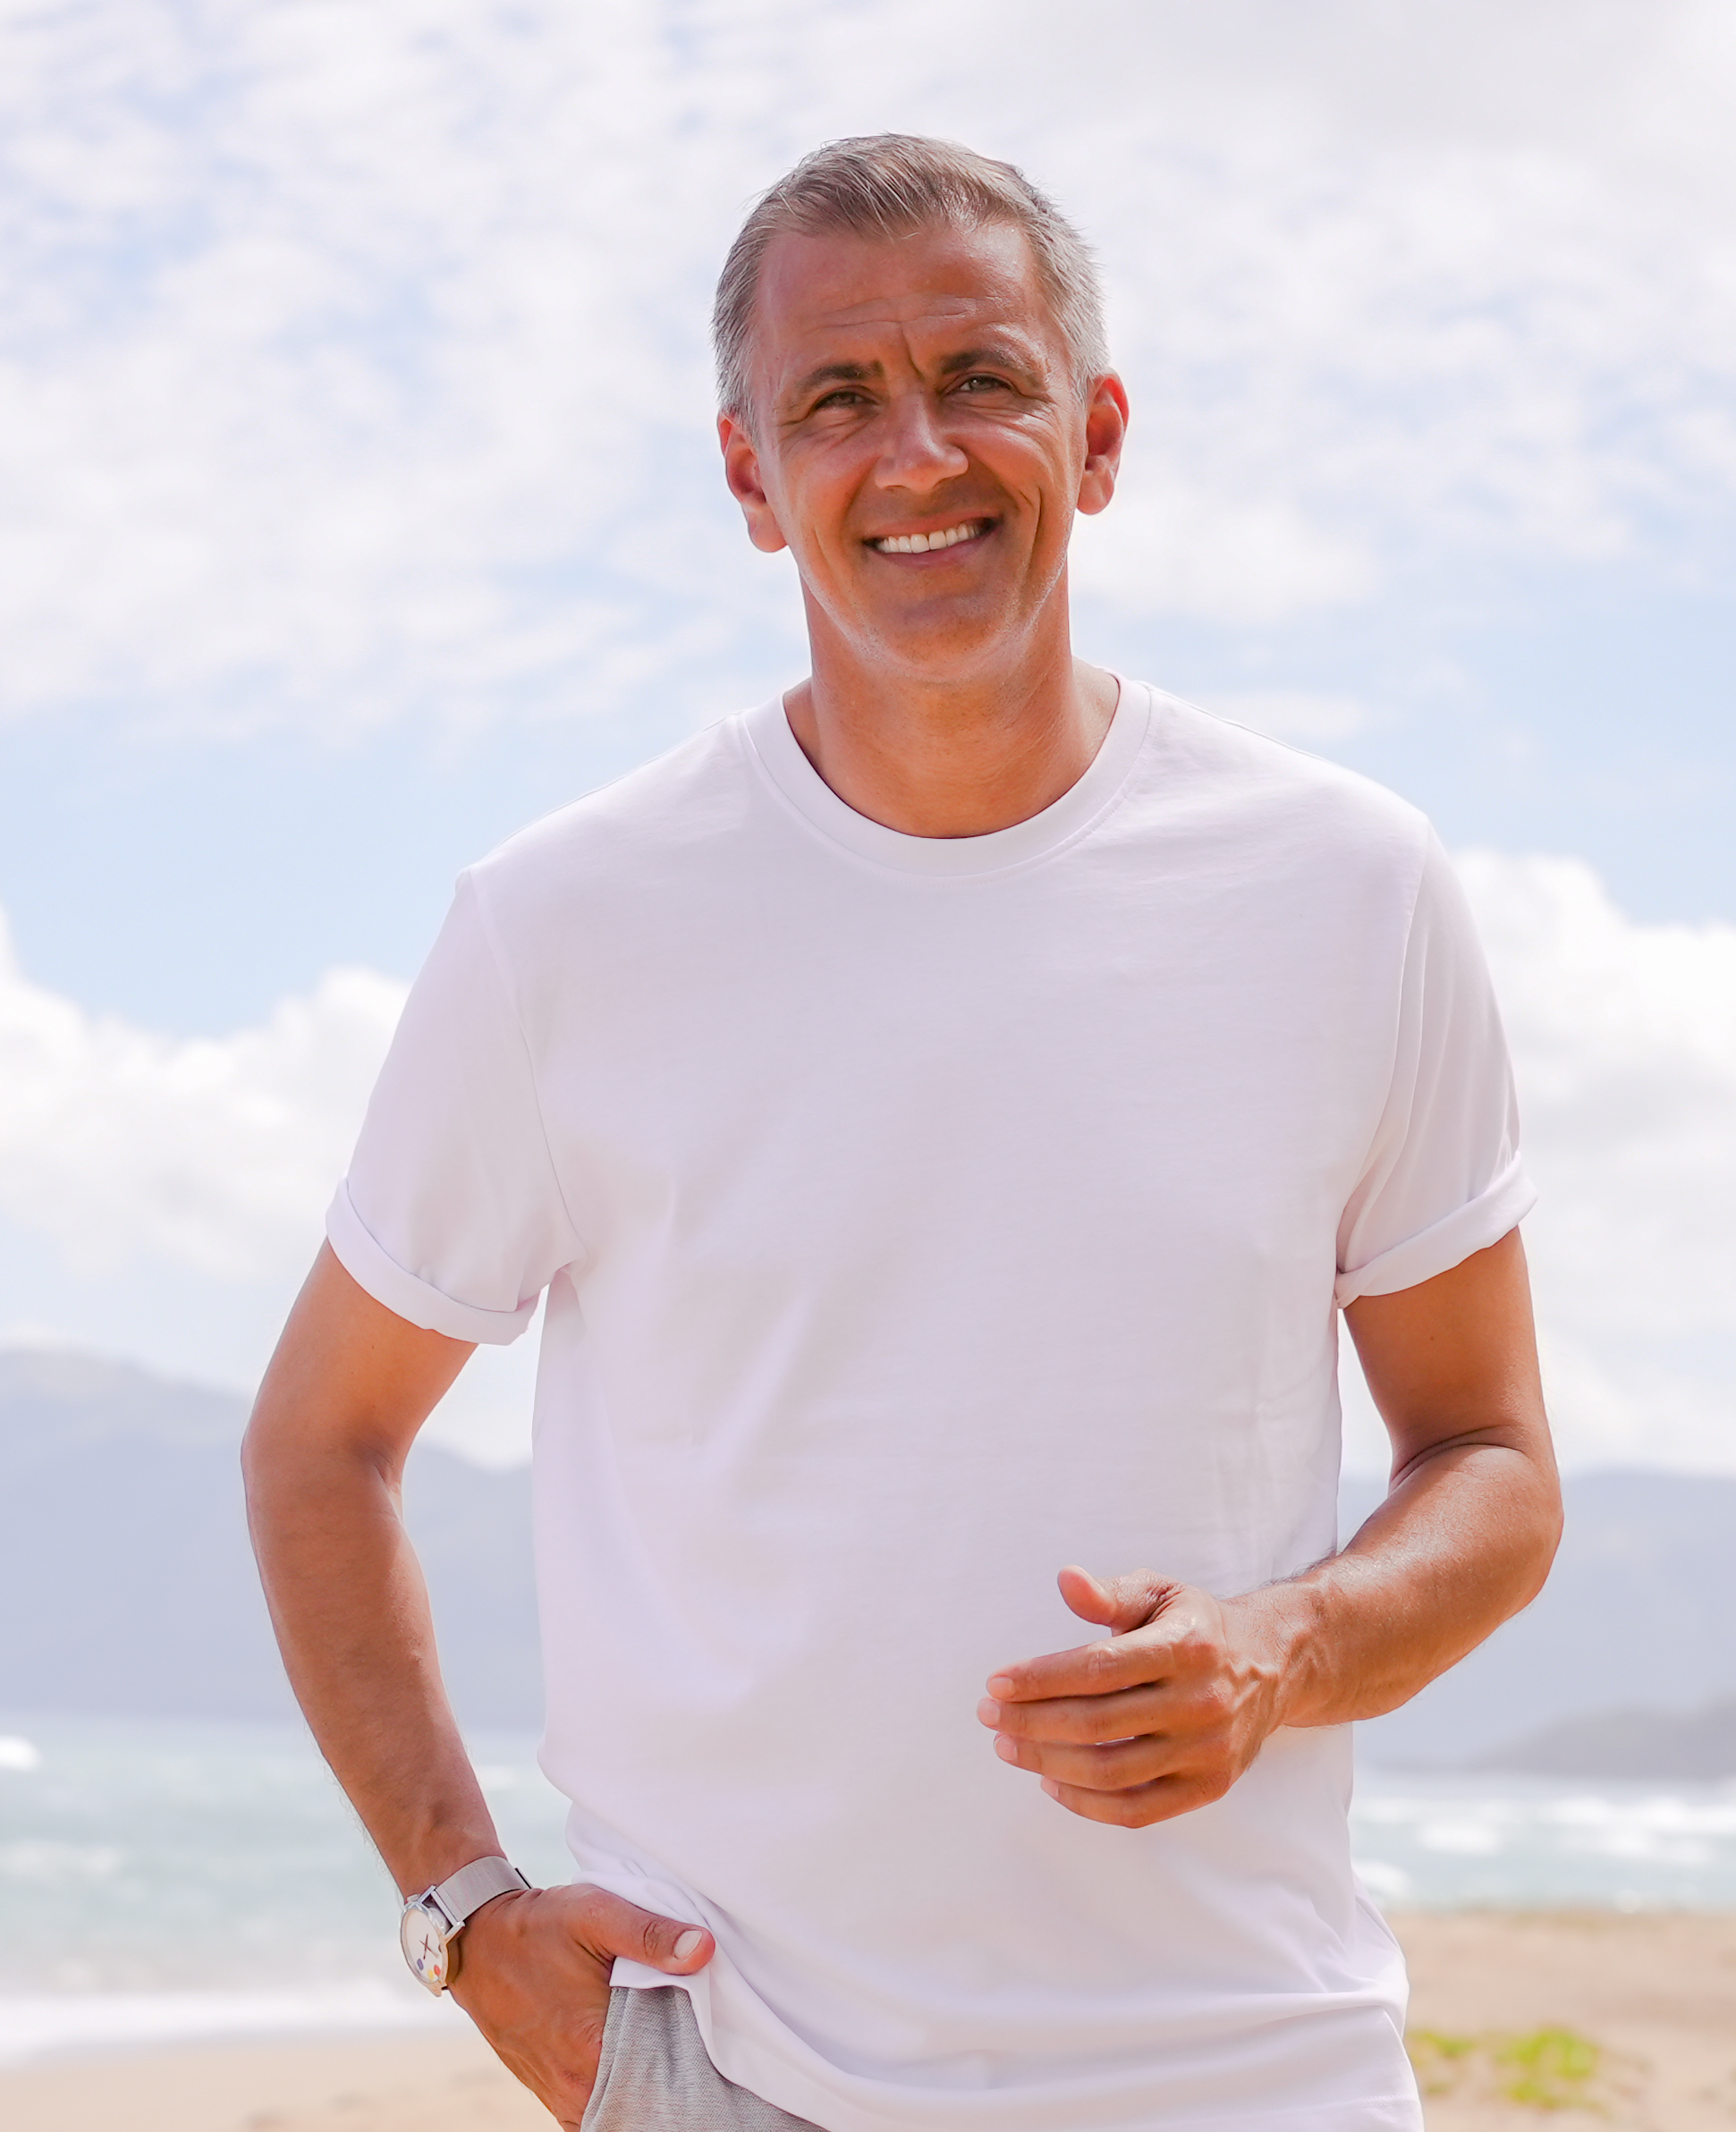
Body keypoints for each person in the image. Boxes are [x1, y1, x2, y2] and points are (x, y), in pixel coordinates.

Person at [243, 134, 1561, 2132]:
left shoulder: (1343, 887)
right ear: (749, 478)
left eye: (979, 379)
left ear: (1094, 436)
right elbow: (320, 1441)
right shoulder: (563, 925)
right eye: (837, 401)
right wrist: (461, 1903)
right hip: (737, 2067)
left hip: (1254, 2074)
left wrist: (1284, 1647)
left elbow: (1491, 1463)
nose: (914, 454)